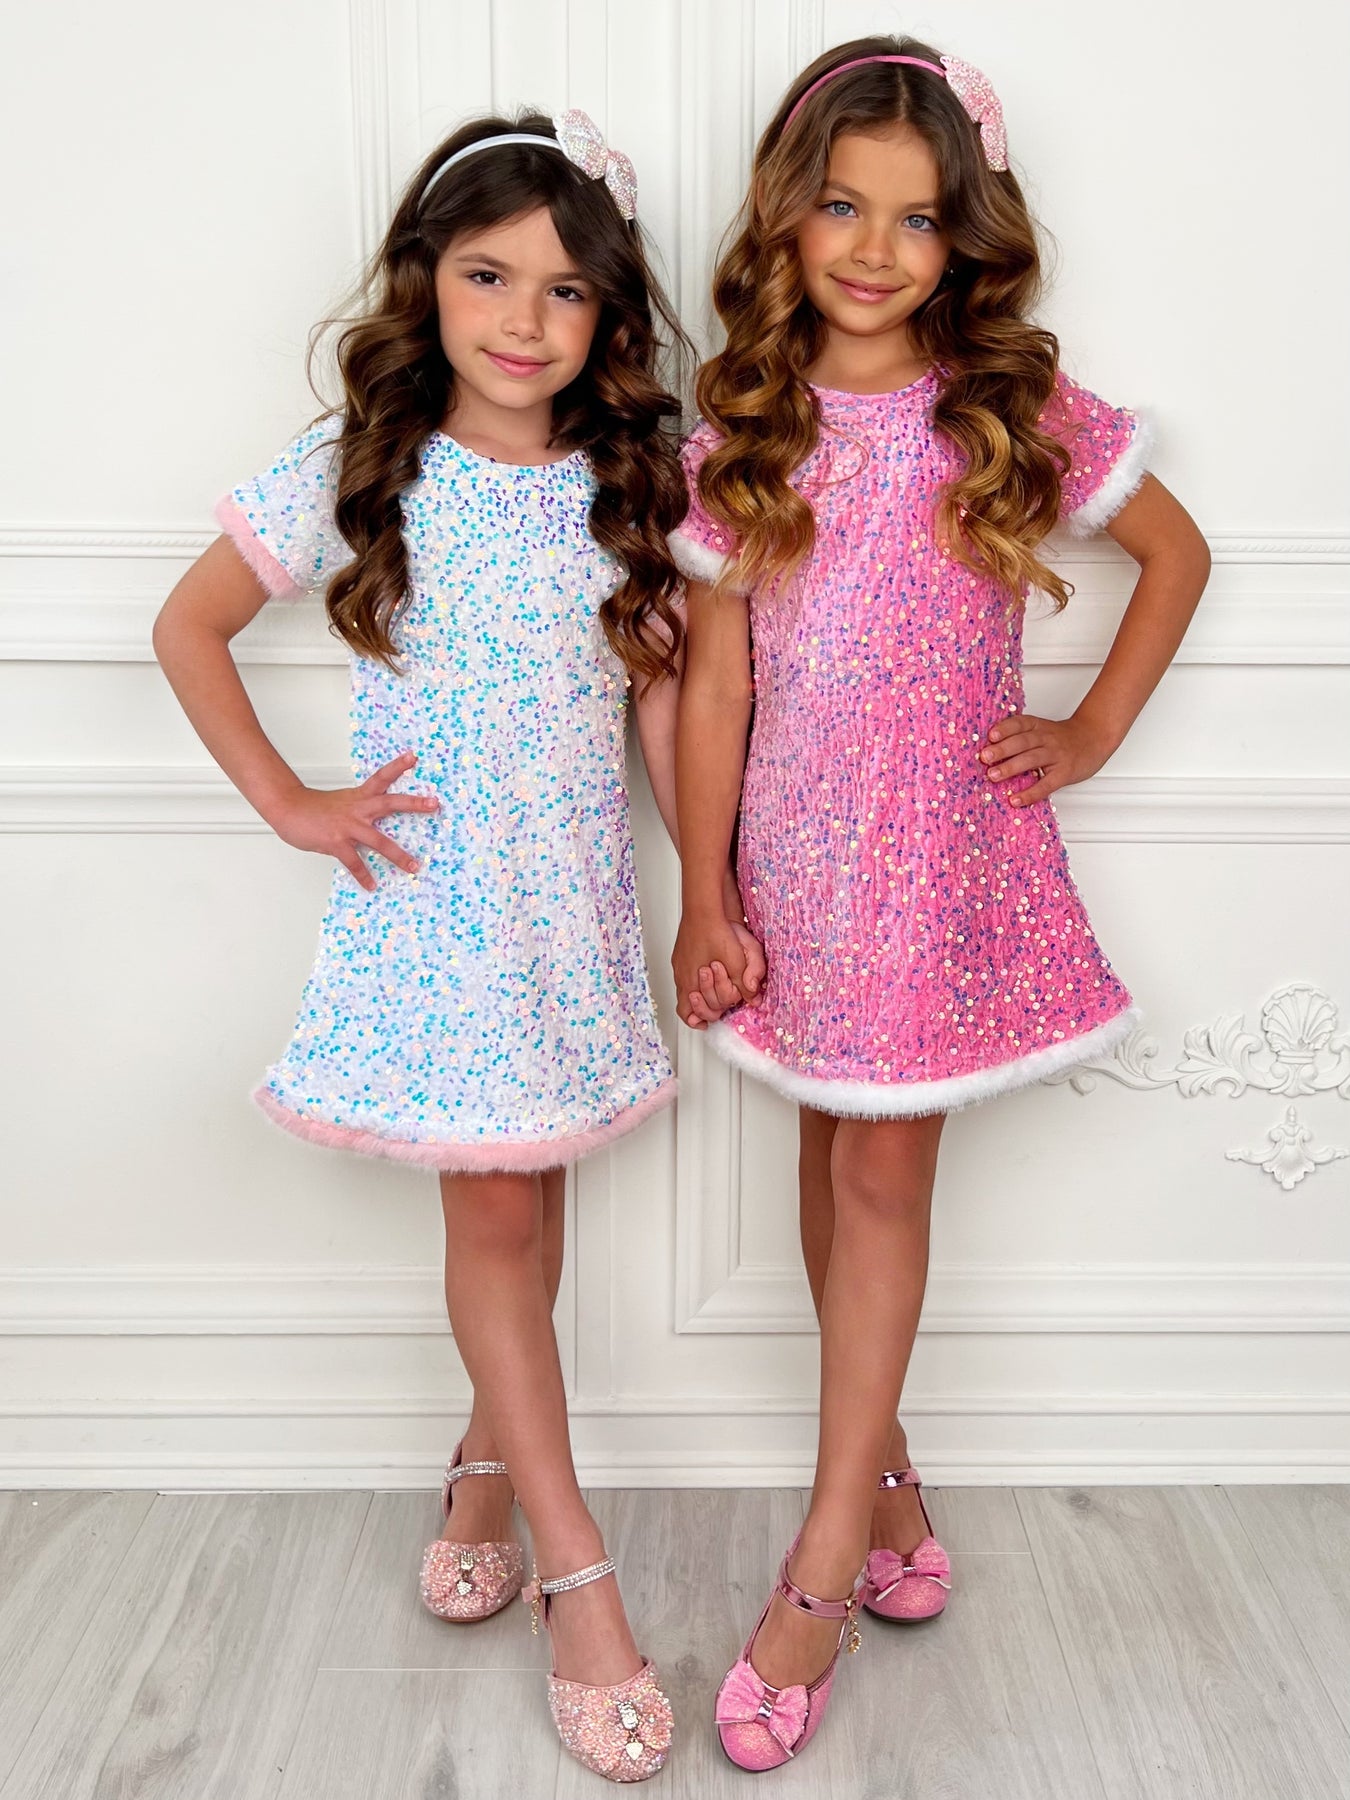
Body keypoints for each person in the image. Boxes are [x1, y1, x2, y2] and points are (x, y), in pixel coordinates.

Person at [153, 107, 754, 1783]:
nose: (521, 320)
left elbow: (664, 707)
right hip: (434, 915)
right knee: (494, 1212)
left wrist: (708, 893)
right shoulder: (364, 464)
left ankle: (482, 1469)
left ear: (606, 317)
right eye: (487, 276)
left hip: (568, 909)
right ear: (425, 280)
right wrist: (292, 801)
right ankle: (579, 1575)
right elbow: (188, 624)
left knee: (526, 1205)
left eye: (564, 291)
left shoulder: (629, 485)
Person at [669, 37, 1211, 1771]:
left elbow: (1176, 554)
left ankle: (824, 1559)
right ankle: (888, 1476)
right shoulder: (746, 433)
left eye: (915, 218)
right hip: (798, 859)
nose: (874, 249)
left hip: (939, 861)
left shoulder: (1002, 409)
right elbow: (714, 686)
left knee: (883, 1170)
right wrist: (704, 891)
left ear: (962, 235)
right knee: (830, 1153)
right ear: (788, 214)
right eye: (842, 206)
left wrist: (1091, 729)